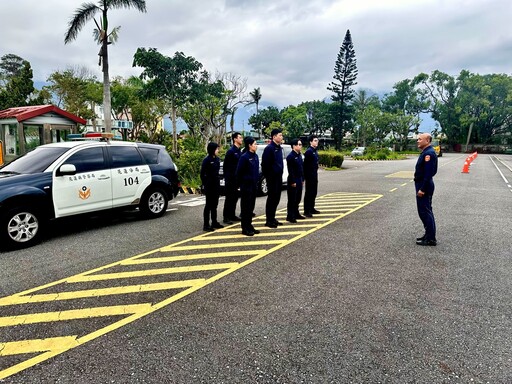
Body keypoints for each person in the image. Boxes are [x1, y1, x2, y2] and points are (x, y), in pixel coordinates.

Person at [414, 132, 438, 246]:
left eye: (420, 139)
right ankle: (428, 235)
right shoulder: (426, 152)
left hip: (424, 185)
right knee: (426, 211)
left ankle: (430, 239)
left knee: (425, 211)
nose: (417, 141)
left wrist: (422, 189)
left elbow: (428, 174)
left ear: (427, 141)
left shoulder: (429, 154)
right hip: (423, 184)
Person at [236, 136, 261, 236]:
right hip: (246, 186)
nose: (256, 146)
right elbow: (238, 173)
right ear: (249, 145)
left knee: (251, 207)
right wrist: (240, 185)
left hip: (253, 185)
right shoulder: (244, 157)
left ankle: (249, 225)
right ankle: (245, 228)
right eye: (254, 144)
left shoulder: (255, 156)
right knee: (246, 208)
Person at [261, 128, 284, 228]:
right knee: (271, 198)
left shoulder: (279, 148)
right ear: (274, 137)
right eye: (280, 135)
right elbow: (265, 164)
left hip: (278, 177)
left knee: (276, 198)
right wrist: (269, 176)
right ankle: (269, 220)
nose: (281, 137)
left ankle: (273, 218)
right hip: (272, 178)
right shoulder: (269, 148)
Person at [200, 142, 224, 232]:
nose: (218, 150)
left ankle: (214, 222)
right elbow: (202, 174)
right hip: (209, 185)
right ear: (212, 150)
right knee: (208, 205)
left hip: (216, 184)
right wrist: (205, 183)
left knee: (215, 204)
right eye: (217, 149)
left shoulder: (217, 159)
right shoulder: (206, 160)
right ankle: (206, 224)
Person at [223, 132, 243, 224]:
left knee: (235, 198)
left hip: (237, 179)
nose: (241, 139)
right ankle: (226, 217)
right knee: (229, 198)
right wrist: (228, 178)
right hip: (230, 179)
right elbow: (226, 166)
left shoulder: (239, 151)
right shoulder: (231, 151)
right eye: (239, 138)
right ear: (235, 139)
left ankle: (232, 215)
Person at [286, 138, 305, 223]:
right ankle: (290, 216)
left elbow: (302, 168)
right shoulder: (291, 156)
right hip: (293, 180)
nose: (301, 146)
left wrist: (303, 178)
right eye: (299, 144)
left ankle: (296, 213)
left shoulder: (299, 155)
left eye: (301, 144)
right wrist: (293, 181)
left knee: (298, 198)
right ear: (294, 146)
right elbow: (291, 170)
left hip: (299, 178)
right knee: (292, 199)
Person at [303, 134, 321, 217]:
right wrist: (305, 177)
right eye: (315, 140)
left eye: (317, 140)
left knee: (314, 192)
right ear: (311, 142)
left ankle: (312, 208)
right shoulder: (309, 152)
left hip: (314, 174)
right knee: (309, 193)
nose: (317, 142)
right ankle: (307, 210)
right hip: (309, 175)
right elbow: (305, 165)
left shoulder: (315, 151)